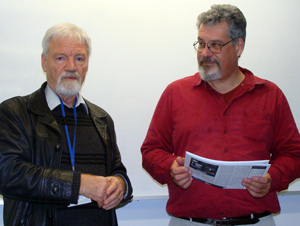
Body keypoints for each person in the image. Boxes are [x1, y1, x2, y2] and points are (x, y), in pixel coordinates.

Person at [141, 4, 300, 226]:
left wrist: (272, 178)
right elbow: (150, 151)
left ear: (238, 46)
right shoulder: (175, 93)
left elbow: (294, 154)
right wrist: (170, 168)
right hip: (189, 222)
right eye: (201, 44)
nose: (205, 53)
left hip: (255, 221)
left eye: (215, 45)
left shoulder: (270, 96)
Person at [0, 23, 132, 226]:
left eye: (79, 58)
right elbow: (9, 174)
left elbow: (118, 171)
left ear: (87, 64)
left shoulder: (102, 119)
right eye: (61, 57)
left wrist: (121, 185)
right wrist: (79, 184)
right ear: (44, 63)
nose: (71, 67)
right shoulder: (15, 112)